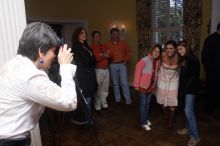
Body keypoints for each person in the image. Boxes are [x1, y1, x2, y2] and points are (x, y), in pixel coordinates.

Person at [0, 22, 77, 146]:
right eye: (53, 51)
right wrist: (66, 67)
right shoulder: (31, 76)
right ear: (41, 52)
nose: (54, 55)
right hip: (10, 141)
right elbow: (69, 102)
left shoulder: (13, 64)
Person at [71, 27, 97, 124]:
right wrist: (91, 60)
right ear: (77, 35)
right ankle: (87, 119)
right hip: (83, 76)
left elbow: (94, 60)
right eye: (82, 33)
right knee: (87, 98)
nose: (85, 34)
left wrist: (90, 60)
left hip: (90, 75)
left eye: (85, 33)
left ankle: (87, 117)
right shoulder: (76, 48)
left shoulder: (86, 46)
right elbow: (86, 61)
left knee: (90, 96)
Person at [176, 41, 200, 146]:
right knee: (186, 110)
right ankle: (187, 128)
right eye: (178, 49)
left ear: (186, 48)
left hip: (190, 90)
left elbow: (193, 78)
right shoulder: (185, 58)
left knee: (188, 111)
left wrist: (185, 89)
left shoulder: (193, 59)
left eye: (181, 49)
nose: (179, 51)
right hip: (185, 89)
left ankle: (195, 137)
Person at [133, 44, 162, 131]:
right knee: (143, 104)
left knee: (148, 104)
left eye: (158, 52)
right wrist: (136, 85)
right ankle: (143, 122)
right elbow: (137, 72)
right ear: (152, 50)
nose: (156, 53)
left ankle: (146, 118)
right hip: (143, 86)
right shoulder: (144, 60)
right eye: (155, 51)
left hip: (150, 86)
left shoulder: (157, 62)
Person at [156, 40, 180, 128]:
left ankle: (171, 120)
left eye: (171, 48)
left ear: (175, 49)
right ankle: (166, 116)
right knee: (163, 101)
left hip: (173, 80)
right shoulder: (162, 55)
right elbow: (154, 61)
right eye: (167, 48)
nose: (169, 50)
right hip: (162, 79)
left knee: (172, 101)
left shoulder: (179, 57)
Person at [105, 28, 132, 105]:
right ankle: (118, 100)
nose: (116, 35)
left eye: (117, 34)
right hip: (112, 65)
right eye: (114, 34)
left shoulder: (124, 43)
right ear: (111, 35)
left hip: (122, 65)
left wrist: (126, 61)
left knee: (124, 83)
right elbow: (105, 55)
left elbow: (128, 53)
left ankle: (128, 100)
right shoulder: (107, 44)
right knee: (115, 83)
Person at [201, 22, 220, 115]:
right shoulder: (211, 39)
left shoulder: (211, 38)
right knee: (211, 90)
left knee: (214, 90)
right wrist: (209, 69)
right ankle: (209, 110)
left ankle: (213, 109)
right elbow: (204, 56)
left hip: (213, 71)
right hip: (213, 71)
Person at [91, 31, 110, 116]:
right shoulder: (91, 47)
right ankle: (97, 106)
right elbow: (96, 59)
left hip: (106, 70)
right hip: (98, 70)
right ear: (93, 37)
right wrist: (103, 55)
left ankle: (104, 103)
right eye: (96, 36)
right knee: (98, 89)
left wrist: (102, 55)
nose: (98, 38)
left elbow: (110, 55)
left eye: (99, 36)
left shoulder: (104, 46)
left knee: (105, 88)